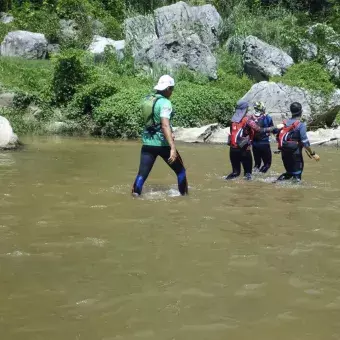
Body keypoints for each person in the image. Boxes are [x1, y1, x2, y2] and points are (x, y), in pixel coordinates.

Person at [132, 75, 188, 196]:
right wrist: (172, 147)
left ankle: (134, 197)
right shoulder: (165, 103)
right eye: (171, 89)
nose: (172, 92)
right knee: (181, 171)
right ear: (167, 89)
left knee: (142, 174)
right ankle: (185, 198)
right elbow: (164, 125)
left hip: (147, 143)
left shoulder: (147, 99)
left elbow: (151, 121)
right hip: (163, 144)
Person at [224, 100, 280, 181]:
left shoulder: (232, 120)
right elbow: (259, 130)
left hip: (233, 149)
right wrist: (275, 127)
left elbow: (232, 133)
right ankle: (247, 191)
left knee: (235, 173)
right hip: (244, 150)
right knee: (248, 174)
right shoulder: (247, 120)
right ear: (245, 109)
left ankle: (225, 181)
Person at [275, 102, 320, 182]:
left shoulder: (284, 123)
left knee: (289, 173)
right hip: (295, 154)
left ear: (291, 111)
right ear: (301, 111)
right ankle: (295, 193)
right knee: (297, 176)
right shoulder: (301, 125)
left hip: (284, 152)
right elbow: (305, 142)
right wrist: (312, 154)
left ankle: (275, 183)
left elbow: (278, 137)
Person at [250, 102, 274, 173]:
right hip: (264, 144)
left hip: (254, 144)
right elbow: (273, 129)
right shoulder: (267, 117)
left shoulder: (251, 118)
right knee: (267, 164)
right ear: (263, 108)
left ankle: (252, 175)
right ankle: (260, 176)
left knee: (257, 164)